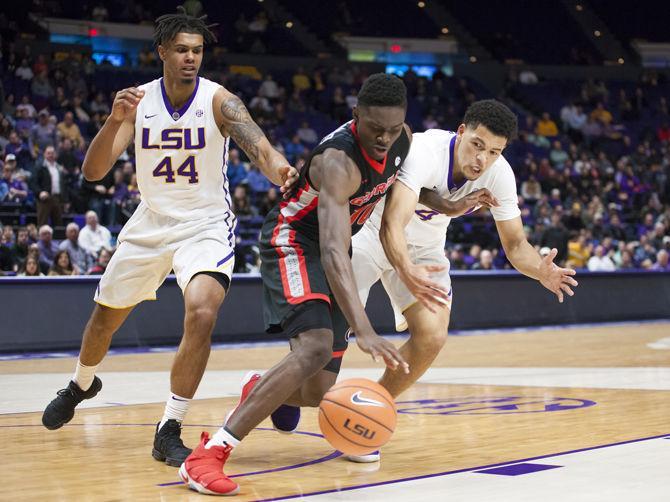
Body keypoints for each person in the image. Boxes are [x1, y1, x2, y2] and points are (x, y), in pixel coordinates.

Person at [42, 8, 298, 470]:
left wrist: (279, 169)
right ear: (162, 52)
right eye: (181, 49)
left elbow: (258, 144)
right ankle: (82, 383)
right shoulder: (138, 102)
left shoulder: (219, 100)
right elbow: (93, 172)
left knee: (202, 310)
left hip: (205, 224)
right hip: (150, 223)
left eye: (197, 51)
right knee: (103, 322)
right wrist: (112, 120)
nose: (190, 58)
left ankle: (170, 427)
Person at [289, 100, 579, 464]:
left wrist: (542, 270)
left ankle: (366, 416)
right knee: (318, 380)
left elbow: (516, 244)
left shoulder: (500, 174)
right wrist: (405, 268)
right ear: (460, 132)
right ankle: (276, 390)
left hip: (425, 249)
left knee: (432, 335)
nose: (482, 159)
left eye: (494, 152)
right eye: (477, 145)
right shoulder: (425, 151)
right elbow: (392, 223)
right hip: (369, 235)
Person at [180, 73, 418, 495]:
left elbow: (398, 185)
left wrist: (449, 202)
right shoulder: (338, 161)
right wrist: (363, 327)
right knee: (315, 346)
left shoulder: (402, 140)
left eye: (393, 129)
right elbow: (328, 250)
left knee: (316, 391)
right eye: (375, 129)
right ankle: (209, 453)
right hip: (293, 241)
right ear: (355, 116)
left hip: (335, 249)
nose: (384, 139)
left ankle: (265, 389)